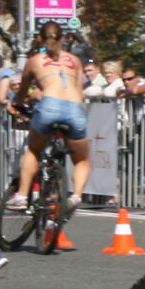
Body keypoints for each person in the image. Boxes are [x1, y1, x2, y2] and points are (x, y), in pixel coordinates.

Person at [8, 20, 94, 218]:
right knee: (82, 159)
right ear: (63, 38)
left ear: (39, 38)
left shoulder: (34, 60)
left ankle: (22, 195)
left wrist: (19, 105)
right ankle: (76, 196)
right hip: (75, 107)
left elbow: (23, 89)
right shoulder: (75, 60)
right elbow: (79, 91)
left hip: (49, 105)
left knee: (34, 150)